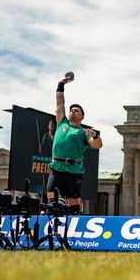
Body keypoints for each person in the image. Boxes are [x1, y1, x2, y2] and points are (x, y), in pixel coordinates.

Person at [47, 74, 103, 214]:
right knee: (51, 196)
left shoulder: (83, 132)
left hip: (73, 169)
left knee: (73, 203)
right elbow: (60, 102)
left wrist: (95, 136)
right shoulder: (62, 122)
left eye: (76, 110)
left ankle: (77, 220)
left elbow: (97, 145)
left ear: (82, 116)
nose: (72, 111)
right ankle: (54, 222)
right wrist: (61, 84)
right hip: (57, 166)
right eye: (71, 110)